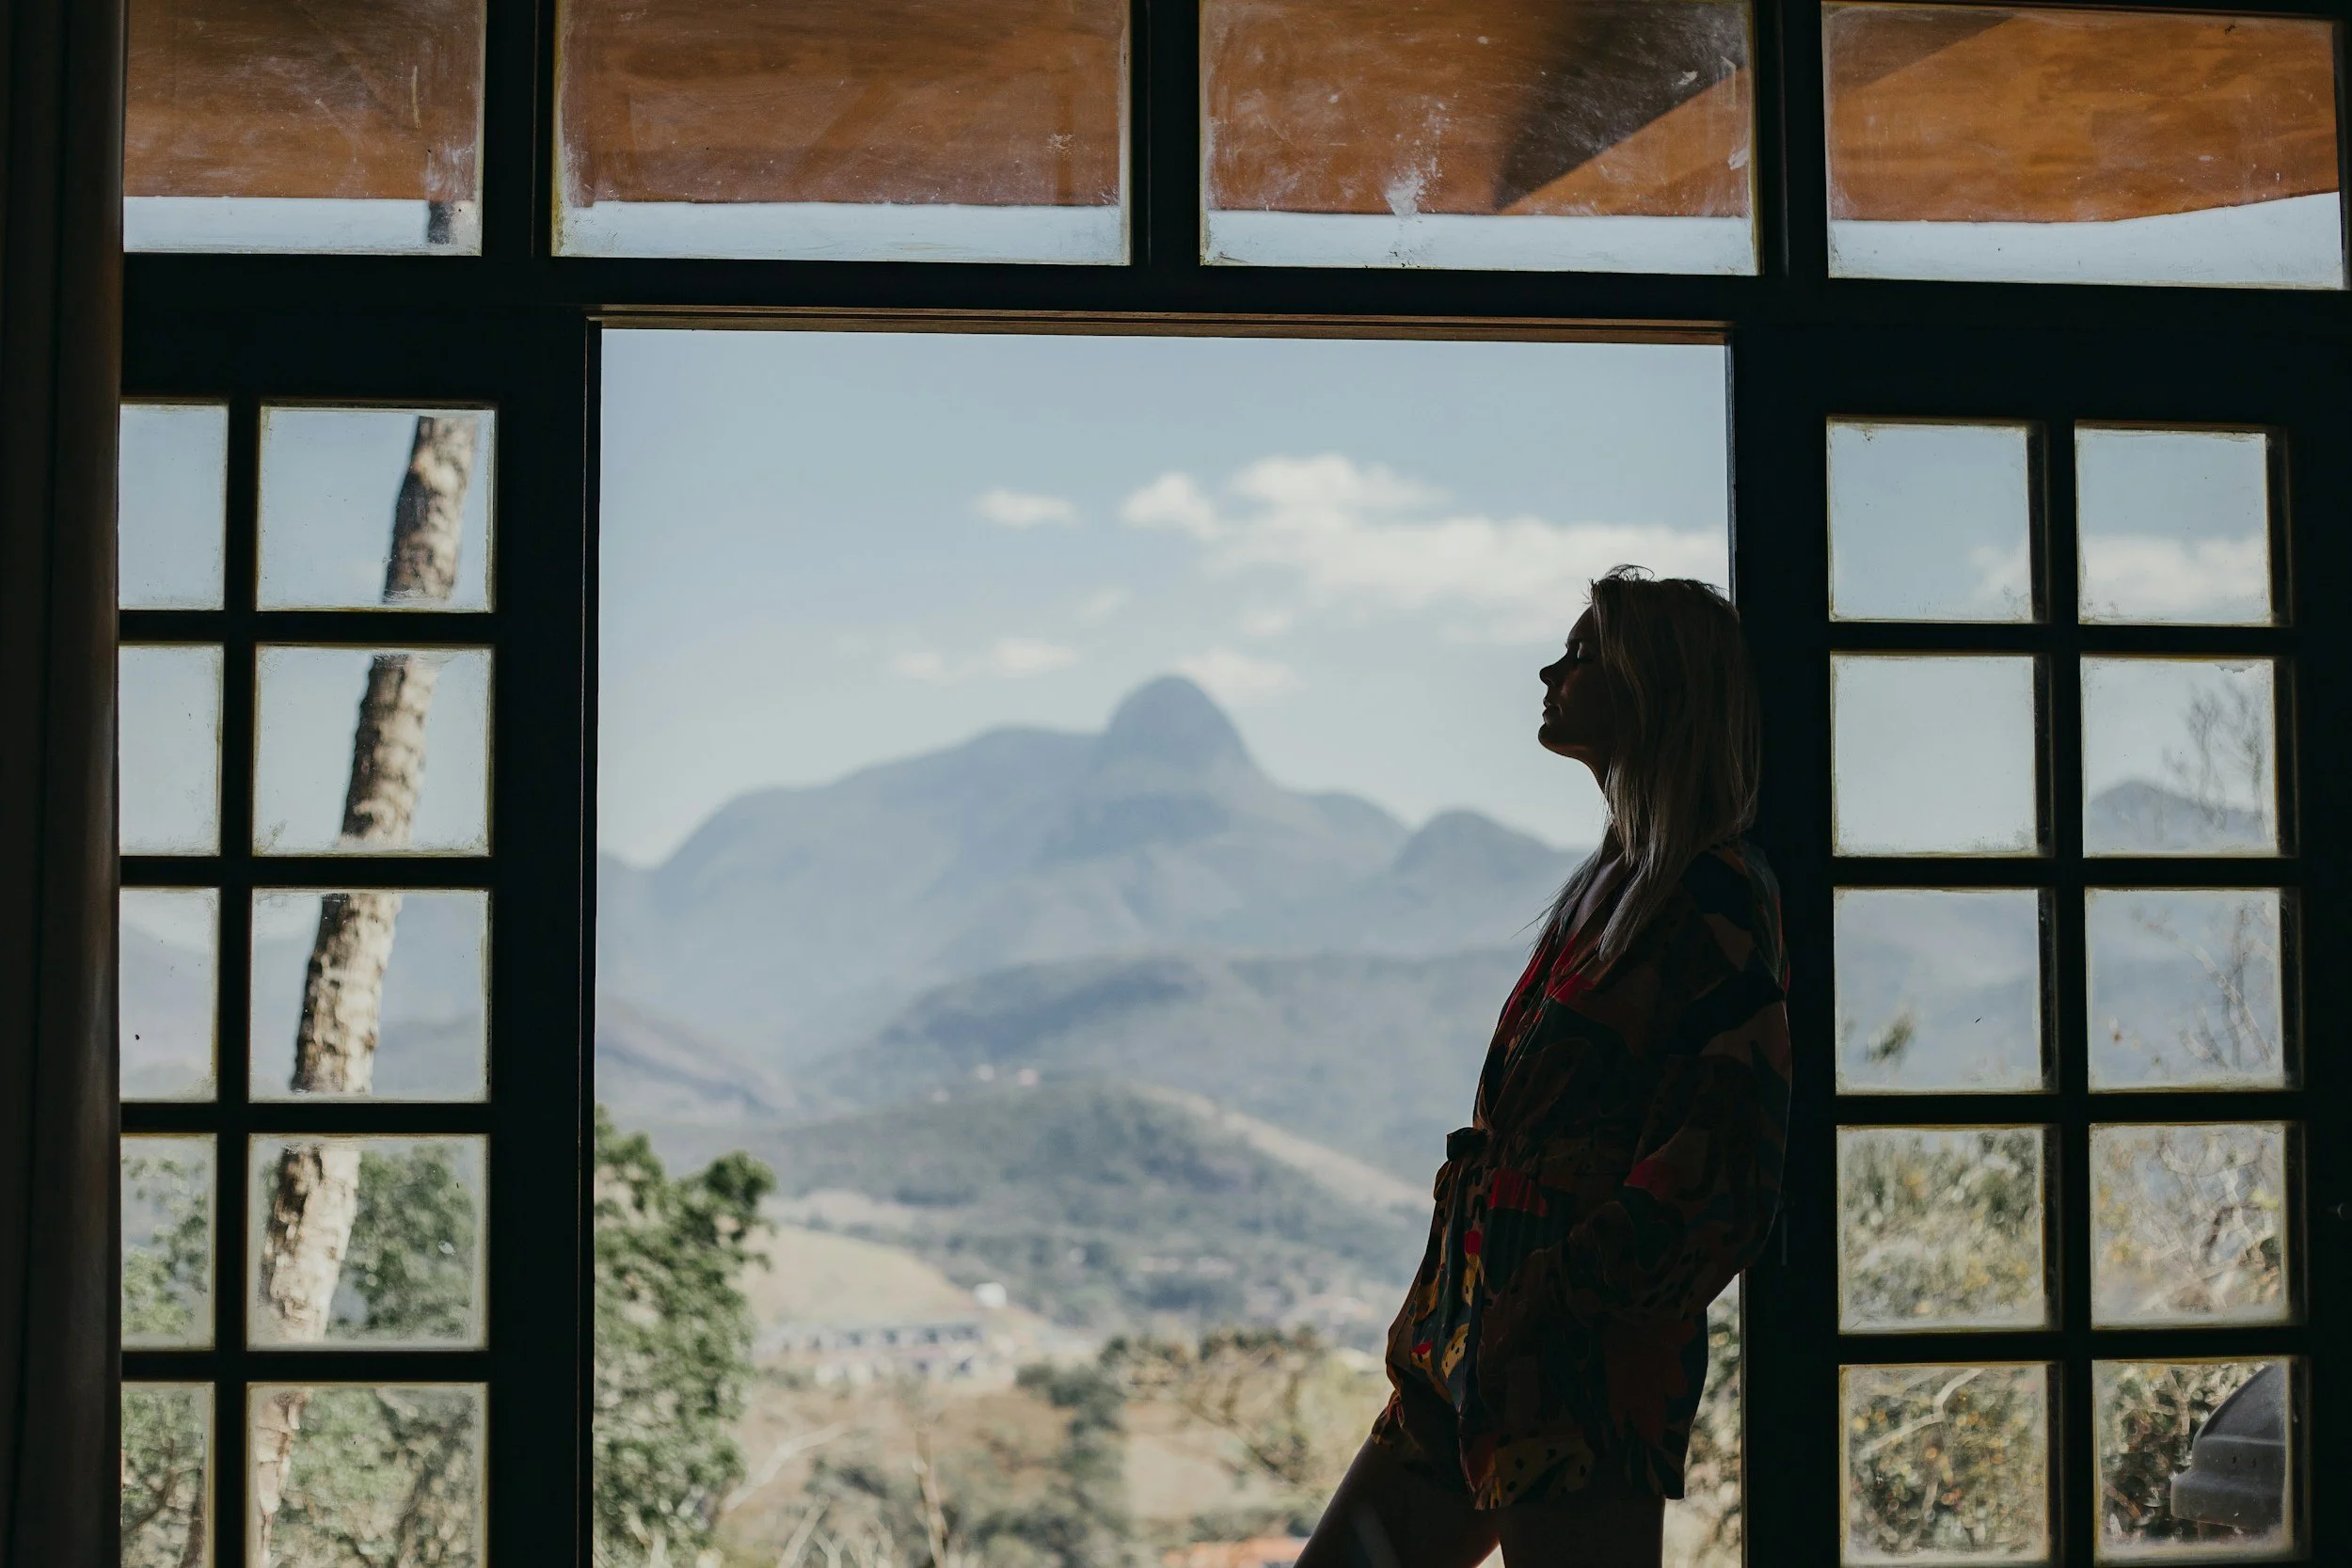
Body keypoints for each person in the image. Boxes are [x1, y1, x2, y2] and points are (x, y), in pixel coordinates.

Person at [1297, 568, 1791, 1568]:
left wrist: (1565, 1294)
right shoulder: (1610, 889)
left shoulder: (1711, 899)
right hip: (1474, 1347)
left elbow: (1723, 1159)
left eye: (1581, 655)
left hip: (1576, 1371)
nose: (1550, 671)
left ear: (1651, 690)